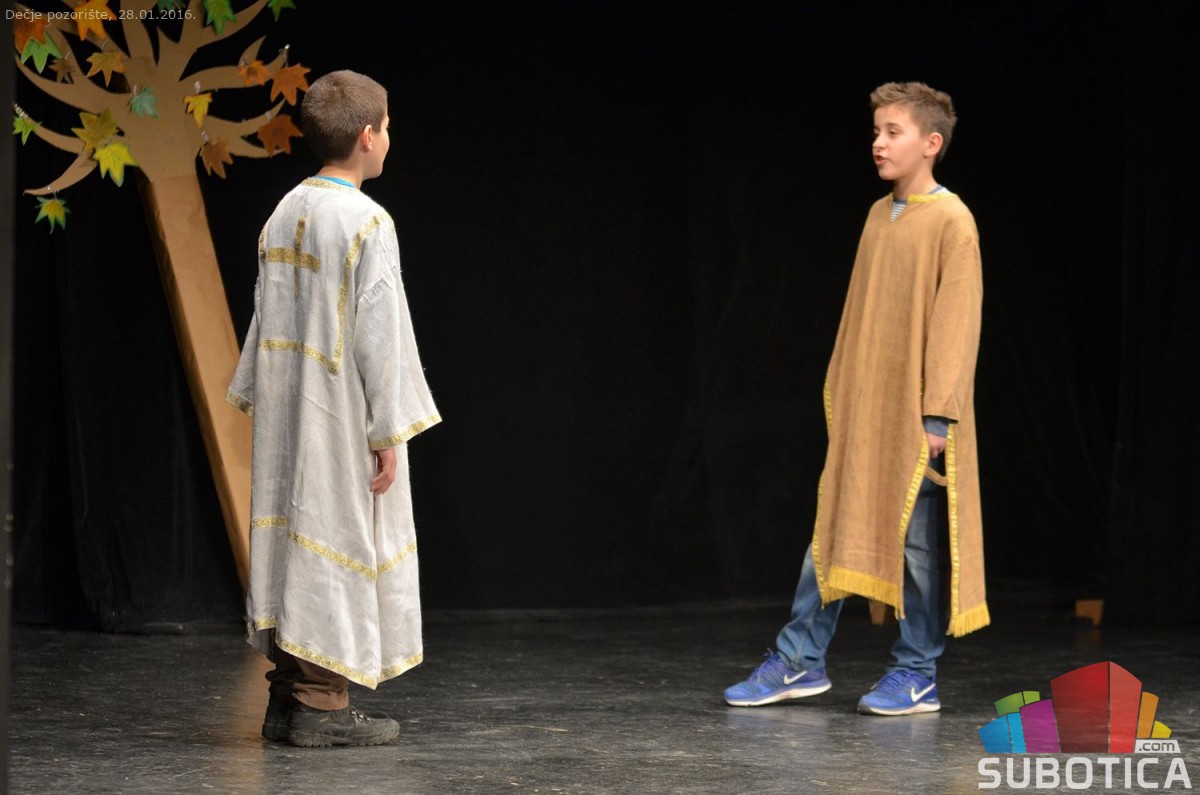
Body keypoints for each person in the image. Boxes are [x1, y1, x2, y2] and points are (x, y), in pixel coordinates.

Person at [723, 81, 987, 716]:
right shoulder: (877, 215)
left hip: (917, 414)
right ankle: (800, 659)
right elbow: (860, 318)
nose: (878, 143)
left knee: (916, 546)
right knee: (835, 530)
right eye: (876, 132)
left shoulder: (952, 220)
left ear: (931, 142)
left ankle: (916, 672)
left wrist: (937, 415)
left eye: (893, 132)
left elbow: (956, 322)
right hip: (868, 407)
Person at [227, 69, 441, 746]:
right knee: (338, 534)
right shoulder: (366, 222)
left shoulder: (283, 211)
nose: (390, 138)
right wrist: (388, 428)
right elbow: (383, 333)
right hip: (339, 412)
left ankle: (288, 698)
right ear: (367, 136)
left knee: (296, 534)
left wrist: (259, 392)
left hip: (291, 410)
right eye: (388, 127)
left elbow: (263, 316)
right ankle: (321, 705)